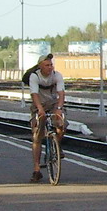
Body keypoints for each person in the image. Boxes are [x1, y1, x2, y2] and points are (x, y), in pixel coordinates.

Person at [28, 54, 65, 183]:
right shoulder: (34, 76)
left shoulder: (57, 75)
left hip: (54, 104)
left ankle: (57, 147)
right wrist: (40, 109)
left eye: (51, 65)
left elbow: (61, 93)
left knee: (61, 125)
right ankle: (37, 169)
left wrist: (59, 108)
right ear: (40, 66)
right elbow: (34, 94)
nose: (50, 67)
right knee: (38, 135)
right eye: (47, 65)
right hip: (40, 104)